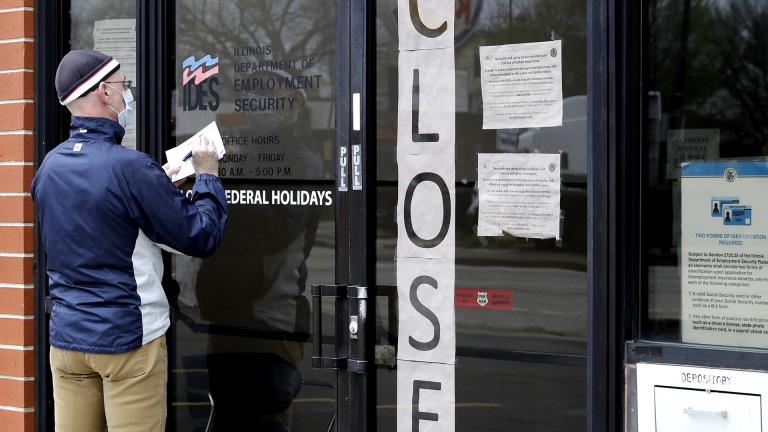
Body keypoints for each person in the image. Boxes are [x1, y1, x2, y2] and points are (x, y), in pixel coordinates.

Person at [30, 49, 228, 432]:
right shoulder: (132, 168)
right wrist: (207, 176)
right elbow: (202, 236)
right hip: (127, 341)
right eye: (123, 86)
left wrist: (156, 187)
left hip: (68, 342)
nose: (127, 94)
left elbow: (96, 223)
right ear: (104, 92)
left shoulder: (49, 167)